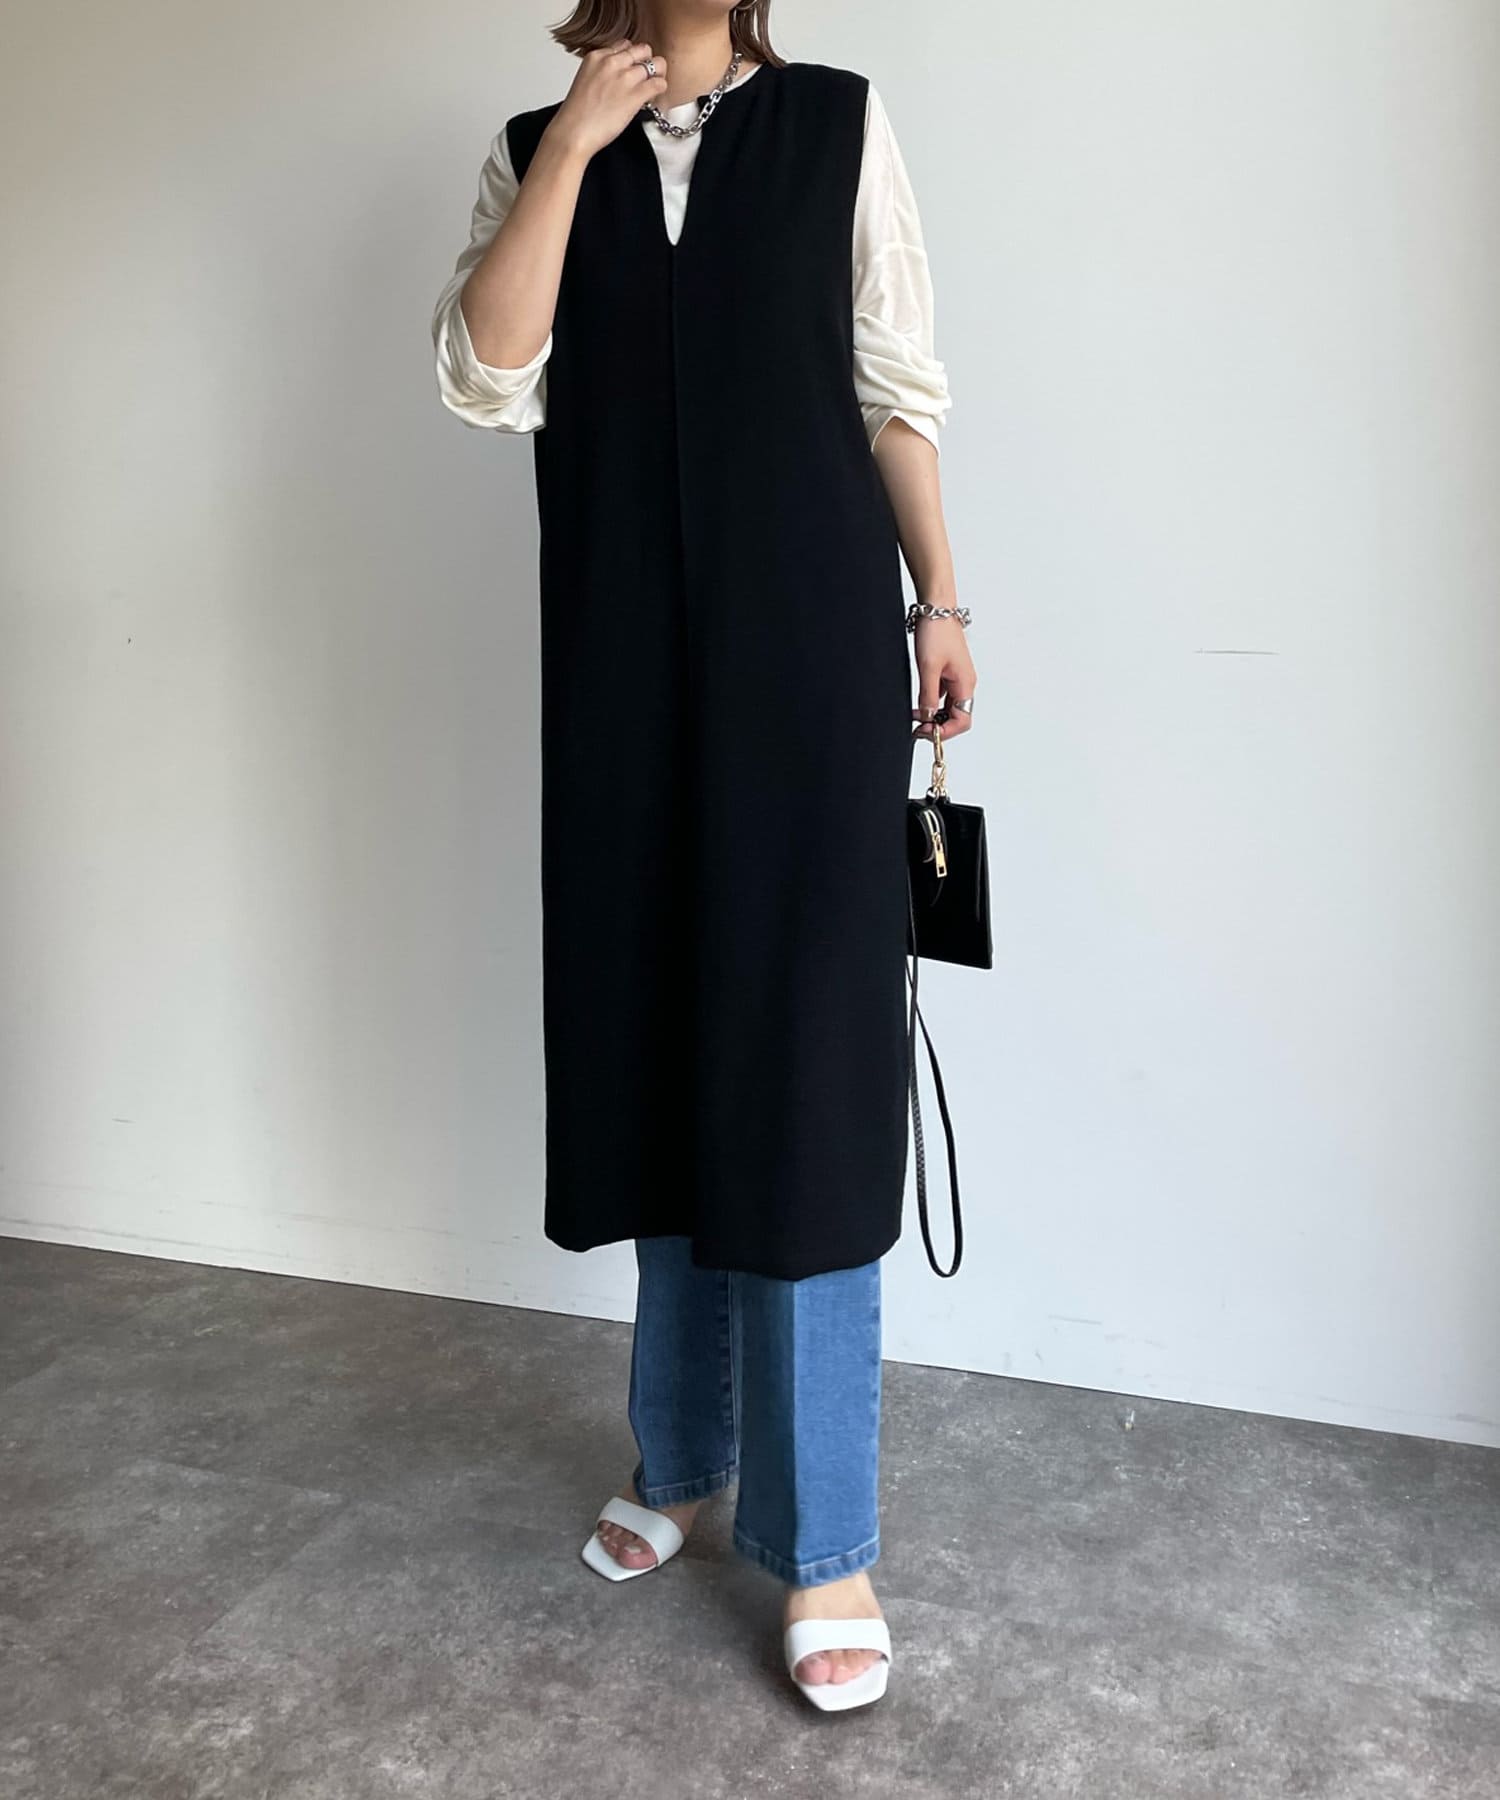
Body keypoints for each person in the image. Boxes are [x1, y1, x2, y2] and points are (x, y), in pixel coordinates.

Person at [431, 0, 974, 1713]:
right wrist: (579, 146)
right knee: (655, 1044)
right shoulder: (538, 149)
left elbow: (893, 385)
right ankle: (678, 1458)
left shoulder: (837, 127)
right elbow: (487, 375)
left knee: (802, 1072)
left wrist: (939, 602)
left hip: (805, 660)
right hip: (620, 677)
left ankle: (826, 1543)